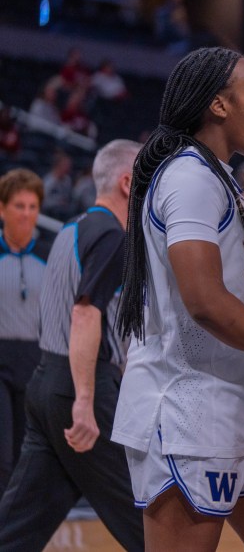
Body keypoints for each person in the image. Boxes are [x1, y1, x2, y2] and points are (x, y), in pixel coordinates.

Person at [111, 49, 244, 552]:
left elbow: (240, 293)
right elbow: (204, 300)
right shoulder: (188, 176)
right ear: (219, 106)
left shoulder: (221, 177)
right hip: (189, 408)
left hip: (242, 400)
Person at [0, 140, 143, 552]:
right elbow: (84, 314)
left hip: (43, 383)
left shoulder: (68, 230)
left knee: (18, 528)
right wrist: (84, 399)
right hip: (82, 388)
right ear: (126, 182)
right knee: (146, 517)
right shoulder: (113, 237)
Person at [0, 169, 47, 495]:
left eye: (32, 206)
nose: (27, 214)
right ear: (2, 209)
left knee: (25, 452)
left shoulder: (48, 256)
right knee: (1, 452)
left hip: (35, 359)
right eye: (19, 205)